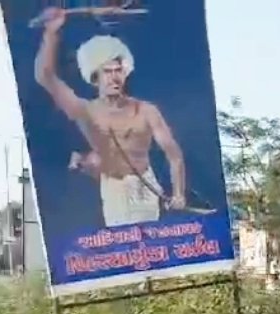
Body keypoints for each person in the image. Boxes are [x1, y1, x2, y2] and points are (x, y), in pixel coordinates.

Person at [34, 7, 185, 227]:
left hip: (145, 186)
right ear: (95, 76)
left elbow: (174, 154)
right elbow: (45, 76)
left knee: (150, 241)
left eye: (118, 70)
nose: (114, 77)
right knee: (121, 241)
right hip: (113, 189)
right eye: (107, 71)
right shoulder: (86, 111)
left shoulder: (146, 110)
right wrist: (51, 33)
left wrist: (179, 193)